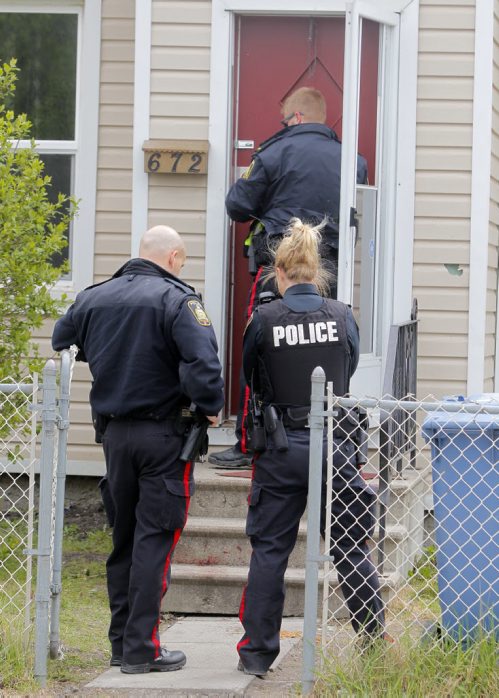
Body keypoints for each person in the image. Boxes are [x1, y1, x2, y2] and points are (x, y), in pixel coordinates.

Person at [51, 225, 224, 675]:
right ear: (172, 258)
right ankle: (142, 649)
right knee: (154, 541)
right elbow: (203, 363)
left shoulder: (94, 297)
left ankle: (121, 644)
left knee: (124, 539)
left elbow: (61, 337)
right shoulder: (177, 299)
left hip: (114, 438)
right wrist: (211, 408)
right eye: (181, 263)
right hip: (164, 437)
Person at [236, 218, 385, 677]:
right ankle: (374, 639)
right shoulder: (342, 316)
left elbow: (249, 374)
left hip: (280, 449)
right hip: (335, 447)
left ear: (278, 273)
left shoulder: (263, 319)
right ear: (316, 272)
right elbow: (350, 365)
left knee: (270, 552)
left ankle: (257, 656)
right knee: (350, 547)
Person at [209, 86, 368, 469]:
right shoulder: (354, 160)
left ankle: (251, 443)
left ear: (295, 118)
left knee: (263, 349)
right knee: (329, 348)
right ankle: (335, 438)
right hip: (329, 272)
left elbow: (237, 205)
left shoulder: (272, 153)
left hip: (278, 271)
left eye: (284, 120)